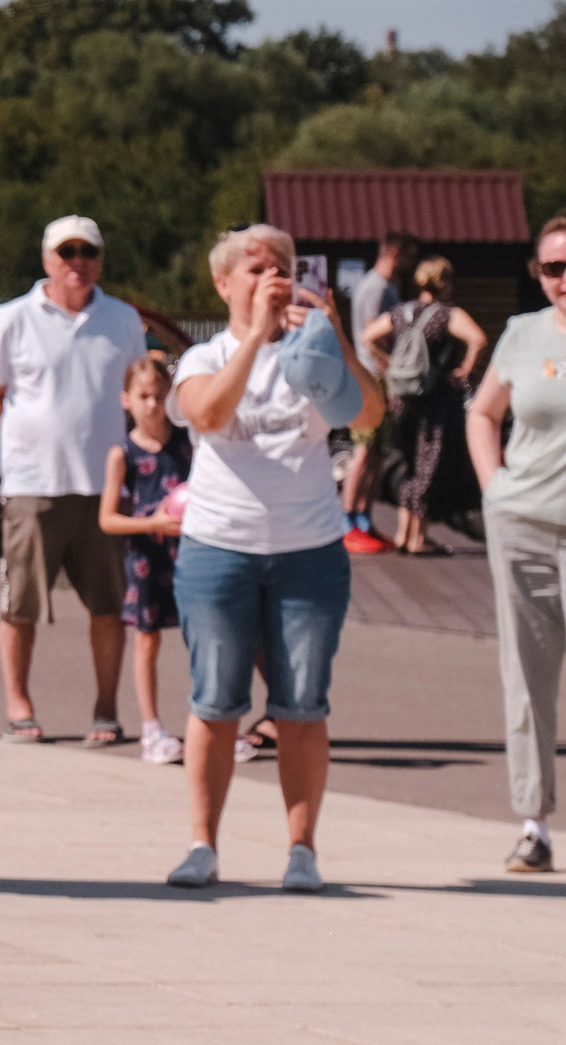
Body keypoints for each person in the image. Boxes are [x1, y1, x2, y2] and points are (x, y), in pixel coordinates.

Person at [162, 224, 382, 893]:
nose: (272, 278)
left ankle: (302, 849)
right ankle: (203, 844)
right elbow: (205, 412)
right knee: (215, 699)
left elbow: (369, 413)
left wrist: (335, 335)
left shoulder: (312, 354)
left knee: (303, 705)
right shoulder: (205, 355)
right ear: (225, 283)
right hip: (218, 546)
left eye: (282, 267)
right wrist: (256, 333)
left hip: (308, 549)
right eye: (256, 268)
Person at [467, 208, 566, 875]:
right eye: (554, 267)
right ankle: (534, 823)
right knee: (526, 676)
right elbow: (483, 410)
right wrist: (493, 486)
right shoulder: (522, 335)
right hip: (522, 524)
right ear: (539, 275)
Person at [0, 216, 149, 745]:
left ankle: (105, 709)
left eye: (88, 251)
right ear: (48, 259)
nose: (78, 262)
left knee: (108, 605)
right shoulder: (12, 318)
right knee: (21, 602)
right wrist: (22, 443)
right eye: (67, 252)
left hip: (105, 487)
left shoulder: (123, 319)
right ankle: (19, 706)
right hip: (33, 484)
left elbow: (138, 388)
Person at [99, 353, 193, 763]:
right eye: (143, 396)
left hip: (188, 552)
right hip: (146, 557)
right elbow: (107, 519)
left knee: (203, 636)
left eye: (158, 395)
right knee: (147, 639)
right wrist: (150, 522)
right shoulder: (122, 453)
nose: (152, 404)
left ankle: (212, 722)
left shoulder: (187, 443)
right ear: (126, 400)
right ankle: (151, 728)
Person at [365, 257, 486, 556]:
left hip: (403, 399)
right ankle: (418, 538)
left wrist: (389, 365)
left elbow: (368, 338)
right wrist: (465, 369)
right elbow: (478, 338)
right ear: (445, 282)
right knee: (429, 466)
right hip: (436, 401)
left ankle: (403, 533)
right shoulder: (447, 315)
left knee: (408, 464)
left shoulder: (401, 312)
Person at [341, 231, 417, 553]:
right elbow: (374, 335)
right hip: (370, 379)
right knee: (362, 452)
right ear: (396, 253)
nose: (412, 264)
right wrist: (392, 369)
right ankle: (347, 523)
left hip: (381, 379)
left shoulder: (388, 287)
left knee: (377, 454)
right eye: (410, 256)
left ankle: (365, 521)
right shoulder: (375, 287)